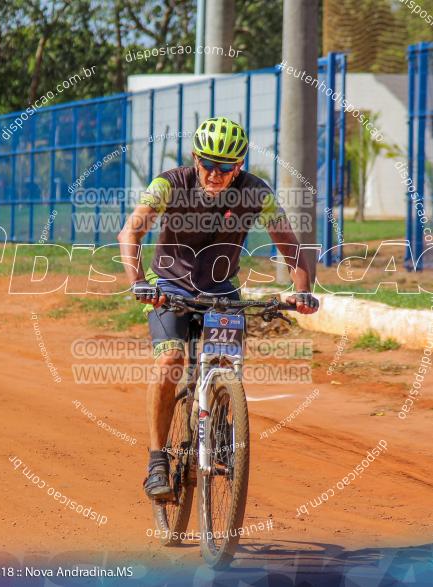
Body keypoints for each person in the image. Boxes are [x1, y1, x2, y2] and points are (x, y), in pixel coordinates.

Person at [117, 116, 319, 500]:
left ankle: (223, 421)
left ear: (239, 165)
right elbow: (131, 231)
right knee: (169, 362)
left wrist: (302, 290)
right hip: (169, 290)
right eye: (209, 163)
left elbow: (290, 245)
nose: (216, 173)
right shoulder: (169, 184)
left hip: (221, 292)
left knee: (226, 365)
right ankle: (157, 461)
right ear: (195, 157)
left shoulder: (256, 193)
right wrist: (139, 282)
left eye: (227, 166)